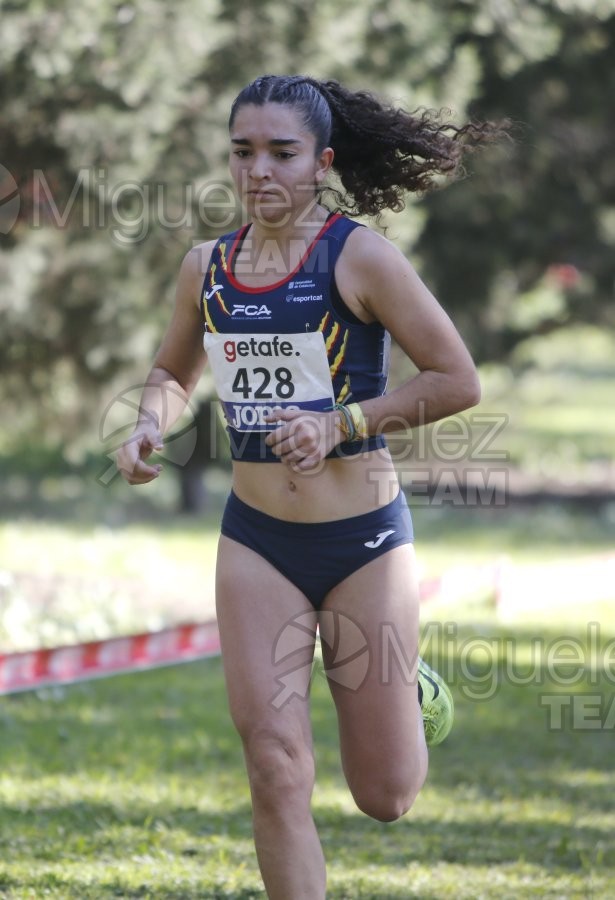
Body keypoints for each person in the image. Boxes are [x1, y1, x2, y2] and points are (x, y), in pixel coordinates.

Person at [116, 75, 497, 899]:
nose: (260, 170)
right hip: (257, 540)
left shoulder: (359, 257)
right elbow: (169, 371)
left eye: (281, 153)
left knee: (385, 795)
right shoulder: (205, 269)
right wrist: (151, 421)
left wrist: (341, 425)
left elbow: (456, 379)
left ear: (321, 162)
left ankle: (412, 691)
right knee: (274, 765)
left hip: (361, 542)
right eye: (242, 152)